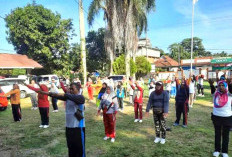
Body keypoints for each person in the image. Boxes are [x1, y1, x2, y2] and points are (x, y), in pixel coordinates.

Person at [41, 83, 86, 157]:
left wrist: (66, 93)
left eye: (72, 89)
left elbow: (70, 96)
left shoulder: (80, 97)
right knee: (71, 148)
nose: (70, 90)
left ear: (78, 89)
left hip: (78, 128)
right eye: (70, 88)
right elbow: (56, 95)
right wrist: (46, 93)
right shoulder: (68, 97)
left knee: (79, 150)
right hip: (69, 127)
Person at [209, 79, 232, 157]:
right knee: (217, 134)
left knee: (226, 135)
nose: (221, 87)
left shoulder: (229, 94)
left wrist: (229, 83)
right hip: (216, 116)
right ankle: (217, 150)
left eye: (223, 85)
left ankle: (224, 152)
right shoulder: (216, 93)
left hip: (227, 117)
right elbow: (212, 91)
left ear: (226, 87)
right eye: (220, 85)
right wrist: (211, 85)